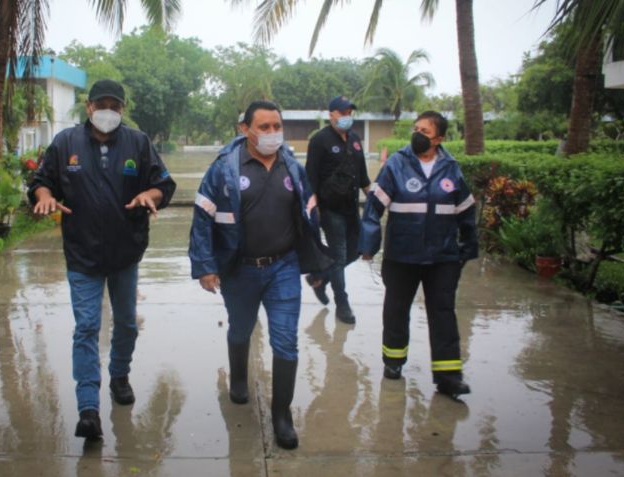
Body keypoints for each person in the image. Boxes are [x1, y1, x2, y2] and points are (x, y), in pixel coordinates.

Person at [29, 79, 176, 441]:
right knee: (87, 327)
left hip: (125, 252)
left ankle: (119, 374)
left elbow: (163, 183)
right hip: (82, 254)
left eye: (115, 105)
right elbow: (40, 180)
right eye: (102, 104)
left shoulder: (138, 143)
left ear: (122, 110)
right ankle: (88, 408)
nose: (108, 110)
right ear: (89, 107)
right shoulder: (66, 143)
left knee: (125, 324)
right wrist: (45, 196)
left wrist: (148, 194)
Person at [188, 100, 330, 450]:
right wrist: (205, 266)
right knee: (240, 329)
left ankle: (281, 415)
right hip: (240, 270)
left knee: (286, 341)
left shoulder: (293, 169)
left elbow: (311, 220)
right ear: (245, 129)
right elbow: (202, 217)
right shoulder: (223, 169)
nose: (271, 133)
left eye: (276, 126)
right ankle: (238, 378)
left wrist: (316, 266)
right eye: (263, 127)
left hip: (283, 266)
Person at [358, 110, 477, 398]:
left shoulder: (451, 168)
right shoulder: (396, 165)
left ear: (439, 138)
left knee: (443, 313)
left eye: (424, 131)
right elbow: (374, 208)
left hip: (443, 257)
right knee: (396, 309)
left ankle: (449, 376)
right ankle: (394, 362)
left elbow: (466, 211)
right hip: (402, 255)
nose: (417, 135)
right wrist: (369, 245)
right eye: (416, 129)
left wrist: (467, 247)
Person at [305, 96, 371, 324]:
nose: (346, 117)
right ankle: (342, 304)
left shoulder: (354, 139)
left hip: (351, 208)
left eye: (349, 112)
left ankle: (320, 276)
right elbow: (310, 176)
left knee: (357, 250)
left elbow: (362, 174)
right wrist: (314, 209)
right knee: (340, 254)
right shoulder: (320, 140)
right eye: (342, 112)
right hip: (330, 209)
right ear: (331, 114)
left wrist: (374, 200)